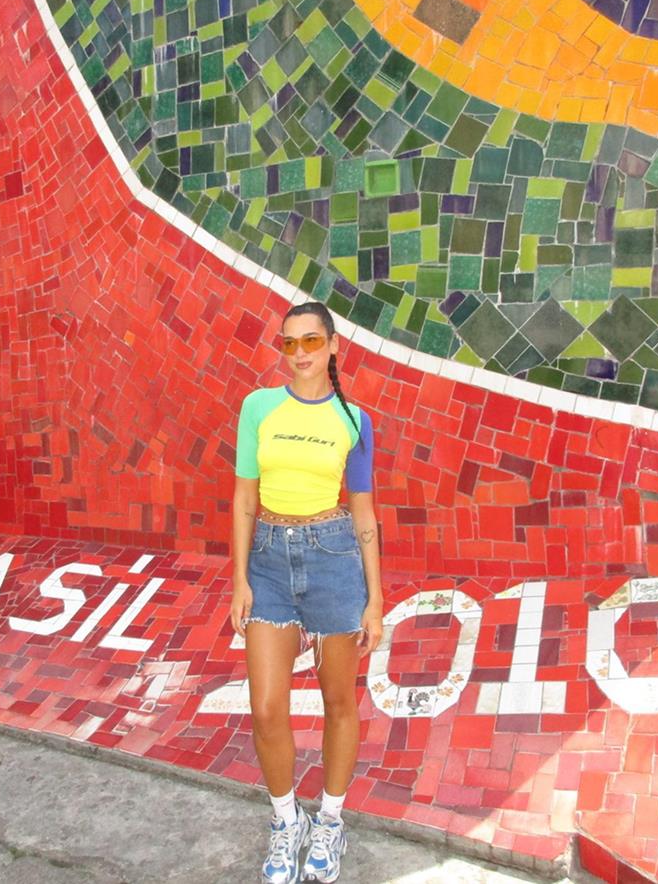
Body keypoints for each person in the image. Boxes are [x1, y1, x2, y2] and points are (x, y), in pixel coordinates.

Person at [231, 301, 383, 883]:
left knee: (338, 700)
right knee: (267, 707)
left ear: (334, 346)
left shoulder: (355, 420)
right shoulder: (258, 407)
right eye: (288, 344)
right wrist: (237, 577)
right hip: (268, 561)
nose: (300, 354)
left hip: (333, 556)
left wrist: (375, 597)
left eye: (311, 342)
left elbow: (365, 511)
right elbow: (245, 497)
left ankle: (331, 820)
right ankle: (284, 821)